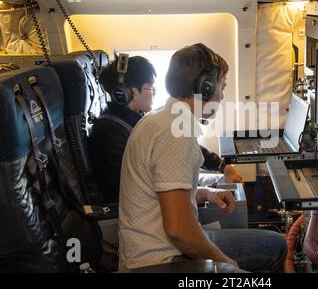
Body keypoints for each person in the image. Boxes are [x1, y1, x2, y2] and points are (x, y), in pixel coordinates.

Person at [118, 43, 287, 272]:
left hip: (160, 249)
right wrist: (226, 264)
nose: (223, 94)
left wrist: (206, 193)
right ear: (206, 87)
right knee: (274, 248)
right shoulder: (174, 135)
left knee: (274, 243)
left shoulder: (161, 118)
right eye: (222, 86)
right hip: (161, 262)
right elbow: (179, 229)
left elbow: (161, 197)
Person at [90, 55, 242, 204]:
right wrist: (205, 192)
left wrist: (221, 166)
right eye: (150, 87)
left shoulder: (138, 120)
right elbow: (135, 192)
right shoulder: (109, 133)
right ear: (129, 93)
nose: (155, 92)